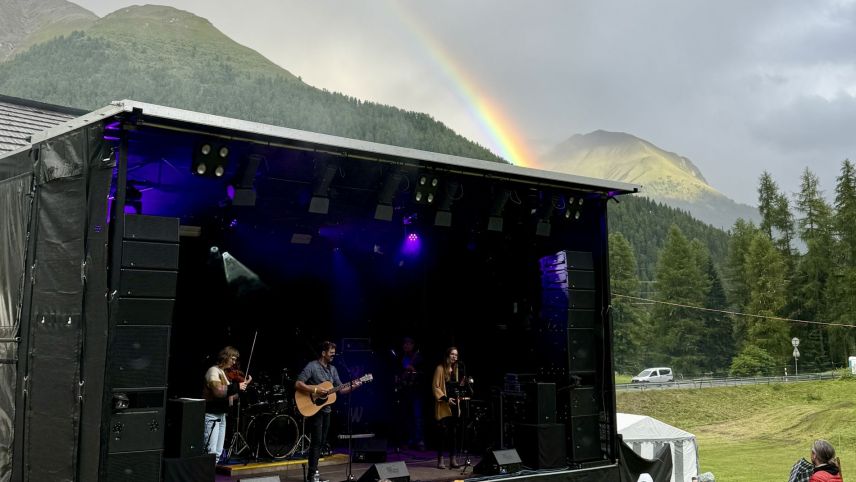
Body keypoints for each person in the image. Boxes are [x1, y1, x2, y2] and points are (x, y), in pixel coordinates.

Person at [295, 341, 363, 482]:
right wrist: (315, 390)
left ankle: (315, 473)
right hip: (314, 410)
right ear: (323, 353)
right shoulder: (312, 366)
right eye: (331, 353)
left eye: (334, 353)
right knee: (316, 442)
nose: (333, 355)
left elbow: (341, 389)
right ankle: (311, 476)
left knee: (322, 443)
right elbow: (298, 383)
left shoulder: (333, 370)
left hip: (326, 410)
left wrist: (354, 386)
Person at [202, 346, 252, 463]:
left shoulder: (223, 373)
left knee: (218, 452)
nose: (234, 362)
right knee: (211, 452)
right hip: (212, 415)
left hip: (221, 415)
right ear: (225, 357)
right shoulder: (213, 371)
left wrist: (240, 390)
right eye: (232, 359)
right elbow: (218, 391)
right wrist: (237, 387)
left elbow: (228, 398)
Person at [432, 346, 466, 469]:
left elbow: (456, 387)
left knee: (454, 433)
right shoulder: (440, 368)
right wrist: (446, 399)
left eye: (456, 355)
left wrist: (462, 386)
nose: (454, 357)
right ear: (447, 355)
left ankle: (453, 459)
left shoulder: (457, 369)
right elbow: (436, 387)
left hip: (455, 405)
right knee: (443, 433)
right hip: (444, 405)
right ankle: (440, 460)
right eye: (452, 354)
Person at [394, 336, 425, 451]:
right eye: (404, 344)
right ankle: (409, 440)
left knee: (417, 417)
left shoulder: (418, 358)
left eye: (409, 343)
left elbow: (423, 374)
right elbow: (397, 372)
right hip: (405, 391)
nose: (406, 346)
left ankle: (419, 440)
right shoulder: (400, 358)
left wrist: (413, 370)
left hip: (416, 391)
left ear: (413, 345)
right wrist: (399, 377)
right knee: (406, 417)